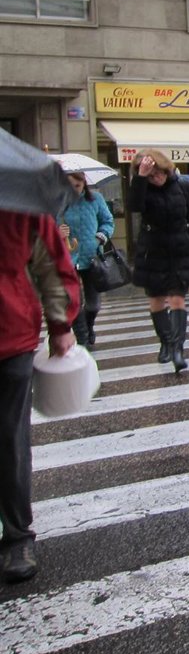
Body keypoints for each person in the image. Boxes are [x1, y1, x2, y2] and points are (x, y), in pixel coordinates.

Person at [0, 211, 80, 583]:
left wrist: (60, 323)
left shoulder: (19, 199)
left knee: (9, 438)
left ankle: (17, 535)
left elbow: (50, 261)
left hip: (9, 333)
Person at [128, 150, 189, 373]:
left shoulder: (182, 186)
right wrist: (141, 178)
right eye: (151, 175)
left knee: (177, 299)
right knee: (157, 300)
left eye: (159, 173)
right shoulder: (143, 188)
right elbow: (134, 206)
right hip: (153, 249)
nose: (157, 178)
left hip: (180, 248)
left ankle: (178, 349)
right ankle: (166, 342)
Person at [58, 171, 114, 349]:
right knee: (73, 301)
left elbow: (107, 221)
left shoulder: (95, 199)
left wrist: (100, 237)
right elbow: (47, 226)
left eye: (77, 185)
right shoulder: (58, 202)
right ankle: (82, 337)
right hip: (68, 258)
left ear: (84, 184)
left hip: (91, 257)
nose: (74, 189)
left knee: (94, 304)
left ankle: (89, 325)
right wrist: (58, 233)